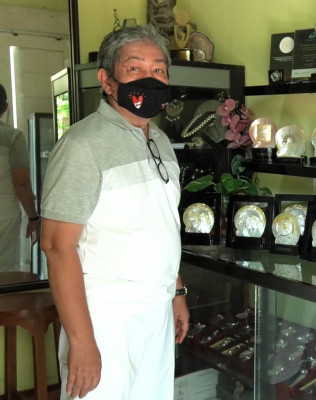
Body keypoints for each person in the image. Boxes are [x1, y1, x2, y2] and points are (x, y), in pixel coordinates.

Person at [41, 24, 189, 399]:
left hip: (156, 312)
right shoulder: (81, 146)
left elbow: (160, 223)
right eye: (134, 68)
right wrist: (82, 342)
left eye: (158, 70)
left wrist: (176, 292)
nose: (149, 79)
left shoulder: (161, 141)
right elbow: (57, 247)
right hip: (105, 319)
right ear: (107, 80)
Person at [0, 83, 39, 271]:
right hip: (3, 217)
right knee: (4, 272)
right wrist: (33, 218)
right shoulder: (12, 137)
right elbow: (21, 182)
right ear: (6, 107)